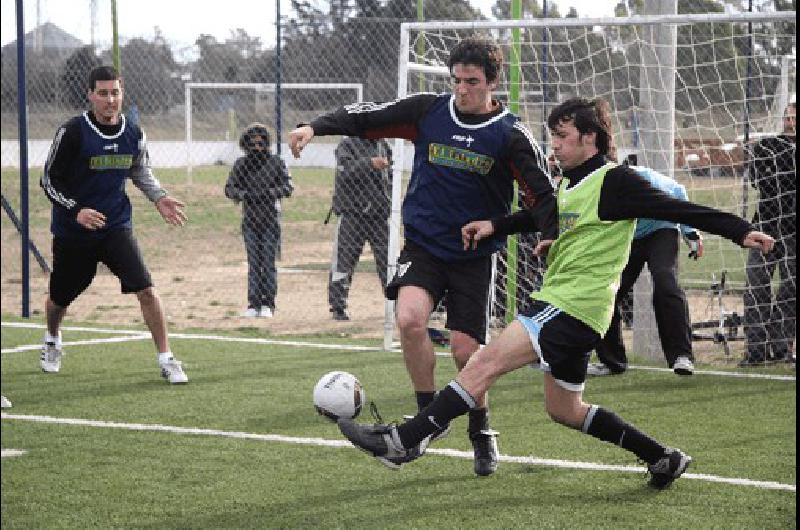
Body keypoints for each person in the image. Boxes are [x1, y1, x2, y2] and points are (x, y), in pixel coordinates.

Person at [335, 97, 774, 489]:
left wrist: (740, 231)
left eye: (562, 137)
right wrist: (495, 225)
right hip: (578, 312)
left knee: (483, 361)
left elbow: (679, 208)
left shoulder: (616, 182)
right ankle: (661, 457)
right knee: (564, 409)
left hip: (570, 306)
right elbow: (539, 216)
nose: (555, 146)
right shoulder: (570, 183)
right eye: (553, 137)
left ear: (589, 138)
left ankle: (404, 441)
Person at [289, 37, 557, 476]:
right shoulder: (428, 111)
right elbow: (368, 115)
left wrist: (546, 234)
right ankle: (427, 419)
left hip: (474, 255)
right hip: (424, 246)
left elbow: (543, 196)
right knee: (409, 321)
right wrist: (314, 127)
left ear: (492, 83)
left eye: (472, 82)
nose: (462, 89)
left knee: (466, 351)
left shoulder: (510, 136)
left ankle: (481, 428)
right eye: (457, 80)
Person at [39, 65, 189, 384]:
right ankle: (52, 339)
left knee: (146, 289)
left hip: (116, 227)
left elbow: (140, 170)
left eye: (115, 93)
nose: (110, 100)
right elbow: (49, 180)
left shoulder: (133, 132)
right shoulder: (73, 132)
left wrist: (158, 197)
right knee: (60, 298)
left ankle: (167, 358)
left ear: (123, 93)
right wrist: (76, 210)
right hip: (74, 232)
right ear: (90, 95)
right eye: (103, 93)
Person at [588, 162, 703, 377]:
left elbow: (679, 192)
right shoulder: (597, 188)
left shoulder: (649, 180)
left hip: (661, 229)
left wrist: (690, 233)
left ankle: (682, 356)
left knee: (664, 278)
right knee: (607, 291)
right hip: (628, 237)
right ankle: (612, 362)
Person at [741, 102, 796, 366]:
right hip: (765, 226)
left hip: (794, 231)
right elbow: (760, 181)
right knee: (756, 287)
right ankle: (755, 349)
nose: (791, 119)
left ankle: (781, 344)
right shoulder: (767, 146)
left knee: (791, 289)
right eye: (789, 114)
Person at [225, 123, 294, 318]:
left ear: (267, 143)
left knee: (268, 263)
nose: (257, 147)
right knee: (254, 263)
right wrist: (246, 195)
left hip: (270, 219)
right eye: (252, 143)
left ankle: (268, 304)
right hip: (250, 220)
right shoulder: (241, 164)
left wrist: (268, 193)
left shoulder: (276, 163)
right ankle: (253, 304)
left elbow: (288, 187)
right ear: (246, 144)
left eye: (261, 142)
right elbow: (229, 188)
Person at [326, 136, 392, 321]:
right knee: (344, 260)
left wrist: (387, 204)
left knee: (388, 261)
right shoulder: (347, 144)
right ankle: (338, 306)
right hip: (352, 213)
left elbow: (390, 178)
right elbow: (344, 172)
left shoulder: (383, 144)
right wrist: (369, 163)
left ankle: (394, 304)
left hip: (379, 215)